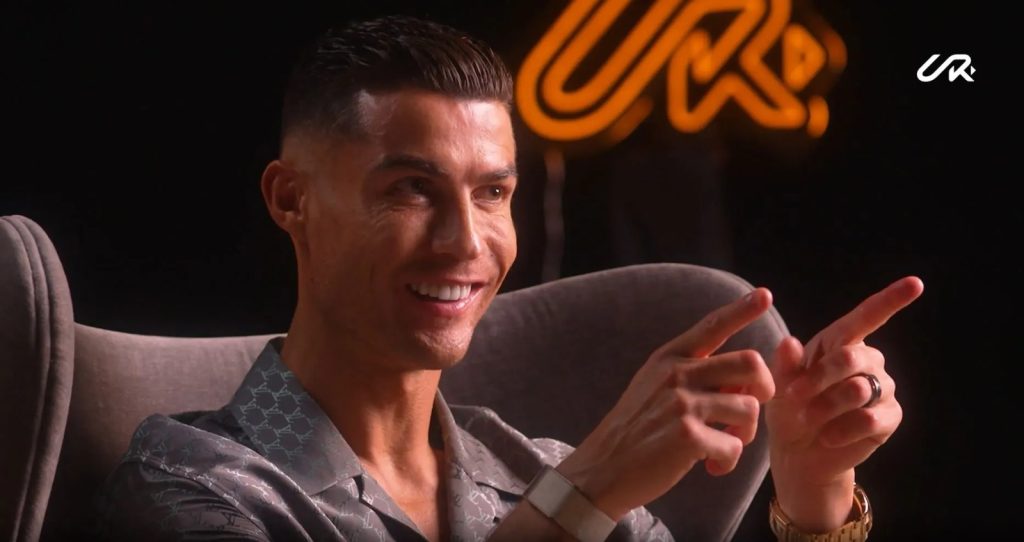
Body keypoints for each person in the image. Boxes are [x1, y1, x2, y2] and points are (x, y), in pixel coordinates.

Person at [96, 15, 923, 541]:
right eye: (411, 189)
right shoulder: (189, 489)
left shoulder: (536, 470)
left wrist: (814, 492)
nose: (466, 242)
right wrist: (581, 499)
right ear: (291, 199)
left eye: (492, 194)